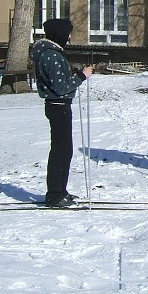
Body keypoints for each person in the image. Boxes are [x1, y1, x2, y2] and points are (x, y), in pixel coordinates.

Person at [30, 19, 94, 207]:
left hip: (60, 105)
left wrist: (74, 73)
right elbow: (60, 87)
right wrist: (82, 76)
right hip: (58, 106)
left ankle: (60, 190)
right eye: (68, 33)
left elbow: (59, 80)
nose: (69, 37)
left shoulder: (53, 53)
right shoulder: (51, 55)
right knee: (61, 150)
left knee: (64, 150)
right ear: (59, 34)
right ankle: (55, 194)